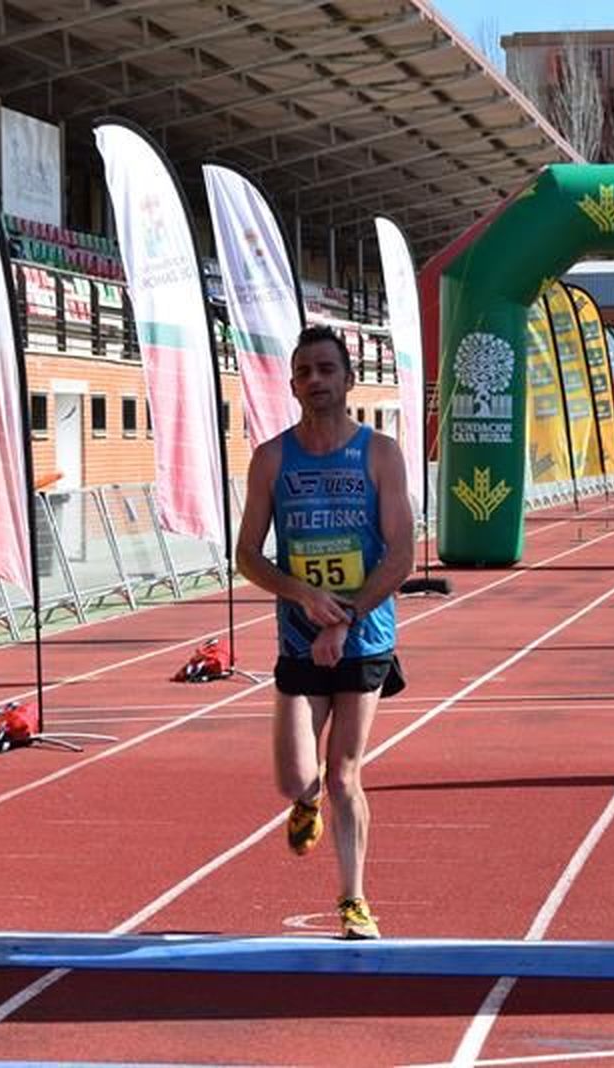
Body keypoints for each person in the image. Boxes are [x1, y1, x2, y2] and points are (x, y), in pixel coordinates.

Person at [235, 324, 413, 940]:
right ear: (292, 385)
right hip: (298, 637)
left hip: (363, 638)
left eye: (326, 370)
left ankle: (353, 901)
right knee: (297, 778)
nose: (316, 381)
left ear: (348, 379)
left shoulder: (380, 454)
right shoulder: (272, 459)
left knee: (344, 773)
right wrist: (306, 596)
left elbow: (401, 558)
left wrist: (348, 615)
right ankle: (303, 803)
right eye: (305, 372)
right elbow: (248, 557)